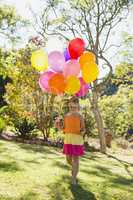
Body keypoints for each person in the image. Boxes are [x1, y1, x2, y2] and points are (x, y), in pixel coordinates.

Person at [62, 96, 85, 185]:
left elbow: (83, 129)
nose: (73, 109)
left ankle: (74, 178)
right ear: (69, 106)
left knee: (75, 159)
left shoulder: (80, 116)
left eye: (75, 107)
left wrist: (82, 132)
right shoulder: (66, 116)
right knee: (68, 159)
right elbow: (64, 129)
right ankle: (75, 168)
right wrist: (59, 127)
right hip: (68, 139)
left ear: (78, 106)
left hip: (77, 139)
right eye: (71, 107)